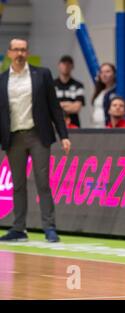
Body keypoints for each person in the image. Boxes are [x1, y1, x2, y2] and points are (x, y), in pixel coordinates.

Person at [0, 39, 71, 242]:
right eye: (16, 50)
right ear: (9, 52)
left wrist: (63, 135)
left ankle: (49, 227)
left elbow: (54, 107)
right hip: (13, 137)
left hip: (38, 135)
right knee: (18, 184)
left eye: (23, 50)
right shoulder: (3, 79)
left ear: (27, 52)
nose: (20, 53)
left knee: (43, 182)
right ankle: (18, 228)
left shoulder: (42, 74)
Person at [54, 55, 85, 128]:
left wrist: (60, 105)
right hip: (55, 123)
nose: (66, 67)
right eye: (64, 64)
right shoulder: (51, 85)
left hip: (74, 123)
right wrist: (69, 104)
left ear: (72, 66)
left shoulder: (78, 85)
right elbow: (51, 107)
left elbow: (76, 108)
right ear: (59, 66)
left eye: (68, 64)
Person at [91, 63, 117, 128]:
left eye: (107, 72)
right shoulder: (99, 91)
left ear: (114, 74)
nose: (104, 75)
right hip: (96, 126)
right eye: (101, 72)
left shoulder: (117, 91)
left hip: (109, 128)